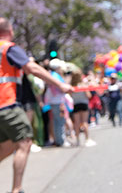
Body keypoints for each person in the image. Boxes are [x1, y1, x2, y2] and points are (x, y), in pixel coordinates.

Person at [0, 18, 72, 193]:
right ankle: (17, 189)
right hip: (7, 104)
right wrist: (59, 84)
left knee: (7, 145)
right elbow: (33, 69)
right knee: (24, 142)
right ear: (10, 30)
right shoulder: (8, 48)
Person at [69, 71, 95, 147]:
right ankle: (87, 139)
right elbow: (89, 95)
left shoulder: (72, 86)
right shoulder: (83, 85)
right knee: (84, 122)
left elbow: (70, 96)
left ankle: (77, 140)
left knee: (76, 123)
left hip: (76, 104)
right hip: (83, 104)